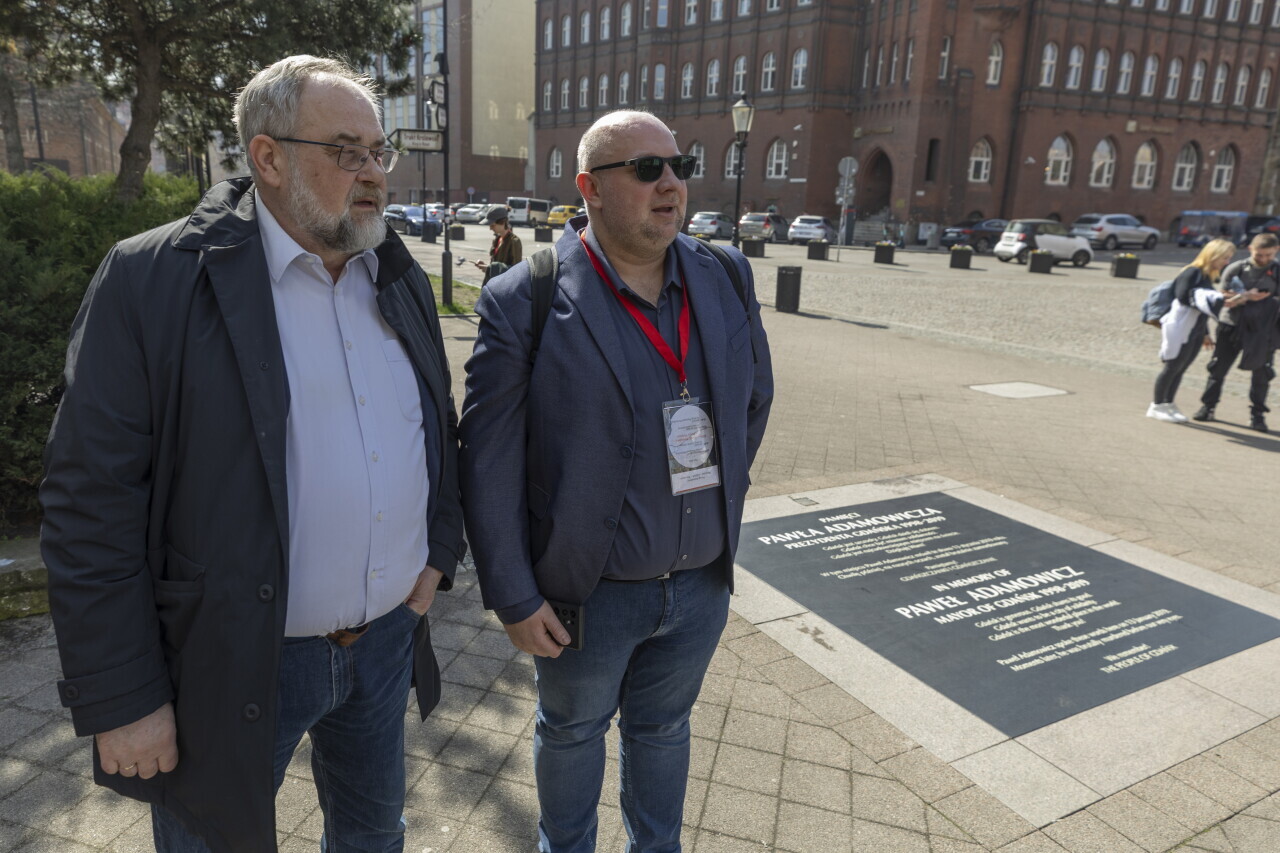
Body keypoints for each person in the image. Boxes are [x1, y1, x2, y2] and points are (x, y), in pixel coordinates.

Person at [39, 55, 465, 853]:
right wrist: (124, 696)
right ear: (268, 157)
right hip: (229, 659)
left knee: (374, 837)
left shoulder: (395, 272)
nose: (375, 173)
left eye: (379, 151)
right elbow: (89, 501)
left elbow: (436, 425)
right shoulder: (153, 280)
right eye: (346, 151)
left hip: (384, 643)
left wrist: (438, 550)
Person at [459, 110, 773, 852]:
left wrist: (715, 503)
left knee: (664, 729)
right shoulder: (525, 297)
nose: (670, 185)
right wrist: (514, 594)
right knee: (572, 731)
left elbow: (753, 399)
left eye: (678, 167)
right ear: (590, 188)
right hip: (586, 595)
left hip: (700, 587)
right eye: (645, 169)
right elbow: (488, 459)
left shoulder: (725, 273)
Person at [1149, 238, 1261, 423]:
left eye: (1229, 258)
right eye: (1225, 257)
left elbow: (1202, 307)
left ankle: (1168, 403)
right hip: (1181, 326)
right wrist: (1220, 298)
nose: (1226, 262)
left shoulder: (1206, 275)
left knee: (1181, 368)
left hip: (1195, 327)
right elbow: (1183, 297)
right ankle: (1157, 405)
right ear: (1213, 255)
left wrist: (1205, 333)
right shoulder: (1192, 271)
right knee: (1172, 367)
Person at [1192, 232, 1280, 432]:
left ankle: (1257, 415)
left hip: (1262, 330)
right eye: (1259, 255)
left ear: (1277, 250)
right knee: (1218, 368)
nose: (1263, 259)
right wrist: (1246, 297)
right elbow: (1222, 295)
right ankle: (1208, 407)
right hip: (1231, 324)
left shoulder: (1277, 271)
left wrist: (1266, 301)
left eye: (1268, 255)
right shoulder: (1236, 268)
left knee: (1262, 374)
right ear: (1250, 249)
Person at [474, 205, 522, 283]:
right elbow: (497, 265)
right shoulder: (497, 239)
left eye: (493, 225)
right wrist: (487, 266)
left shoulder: (514, 241)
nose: (490, 228)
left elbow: (516, 271)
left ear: (502, 223)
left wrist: (490, 269)